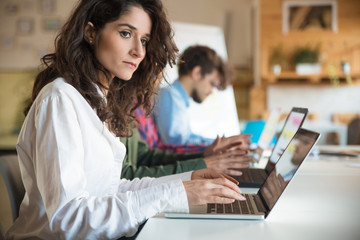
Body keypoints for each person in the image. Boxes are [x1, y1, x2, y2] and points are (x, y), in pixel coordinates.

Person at [6, 0, 245, 239]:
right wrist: (176, 194)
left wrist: (187, 181)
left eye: (143, 40)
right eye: (126, 33)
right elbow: (69, 220)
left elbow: (111, 189)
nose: (139, 51)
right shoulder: (60, 99)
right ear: (91, 32)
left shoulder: (98, 101)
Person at [153, 45, 249, 146]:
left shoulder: (178, 99)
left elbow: (187, 137)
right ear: (197, 73)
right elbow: (177, 145)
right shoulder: (171, 97)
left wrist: (221, 142)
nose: (212, 91)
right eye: (212, 84)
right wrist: (220, 145)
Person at [121, 125, 252, 179]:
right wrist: (201, 164)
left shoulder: (127, 103)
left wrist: (203, 157)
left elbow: (144, 157)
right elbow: (124, 176)